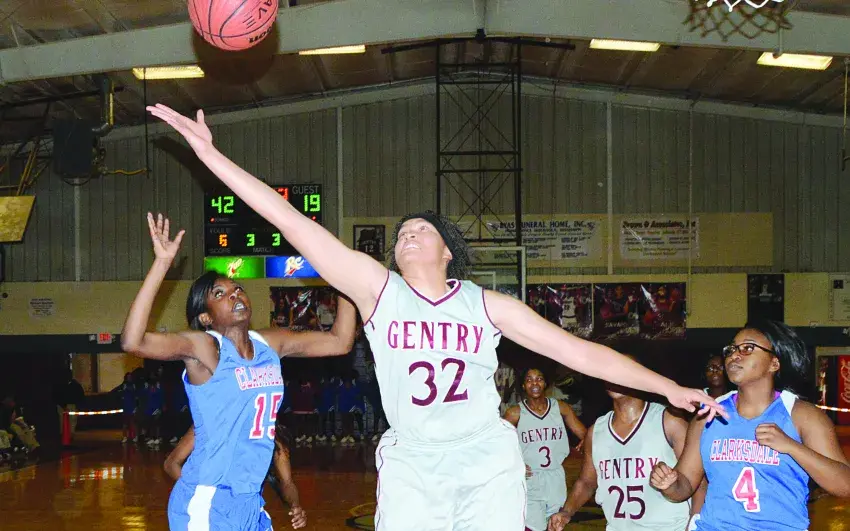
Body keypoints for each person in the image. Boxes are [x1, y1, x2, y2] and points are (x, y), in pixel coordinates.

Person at [147, 104, 724, 530]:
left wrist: (668, 387)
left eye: (421, 229)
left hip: (484, 456)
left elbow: (580, 352)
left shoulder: (485, 304)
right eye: (402, 232)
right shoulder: (379, 292)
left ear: (447, 250)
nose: (407, 233)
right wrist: (210, 156)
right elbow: (291, 222)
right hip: (413, 460)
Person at [121, 212, 357, 531]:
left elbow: (340, 342)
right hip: (210, 500)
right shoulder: (206, 348)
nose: (234, 294)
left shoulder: (270, 343)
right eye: (220, 294)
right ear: (206, 318)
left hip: (250, 501)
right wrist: (162, 264)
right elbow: (133, 341)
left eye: (237, 288)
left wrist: (346, 281)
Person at [650, 320, 850, 531]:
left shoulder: (803, 416)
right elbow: (685, 486)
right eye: (731, 349)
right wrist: (669, 484)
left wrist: (792, 447)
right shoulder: (709, 415)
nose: (734, 355)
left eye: (747, 348)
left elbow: (845, 486)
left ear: (774, 363)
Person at [548, 354, 703, 531]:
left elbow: (698, 483)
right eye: (610, 372)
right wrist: (567, 511)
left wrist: (694, 525)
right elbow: (587, 482)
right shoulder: (596, 431)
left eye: (623, 371)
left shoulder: (669, 422)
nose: (615, 377)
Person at [164, 424, 307, 529]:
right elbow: (172, 463)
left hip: (250, 514)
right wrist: (199, 493)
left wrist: (295, 505)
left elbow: (287, 482)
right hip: (211, 514)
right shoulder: (210, 420)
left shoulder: (270, 432)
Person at [503, 368, 586, 531]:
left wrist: (586, 443)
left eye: (539, 379)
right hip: (530, 478)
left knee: (555, 525)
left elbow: (584, 434)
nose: (534, 383)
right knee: (532, 527)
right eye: (529, 380)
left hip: (556, 477)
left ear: (545, 383)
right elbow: (497, 443)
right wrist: (514, 463)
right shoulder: (514, 413)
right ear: (523, 385)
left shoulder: (561, 408)